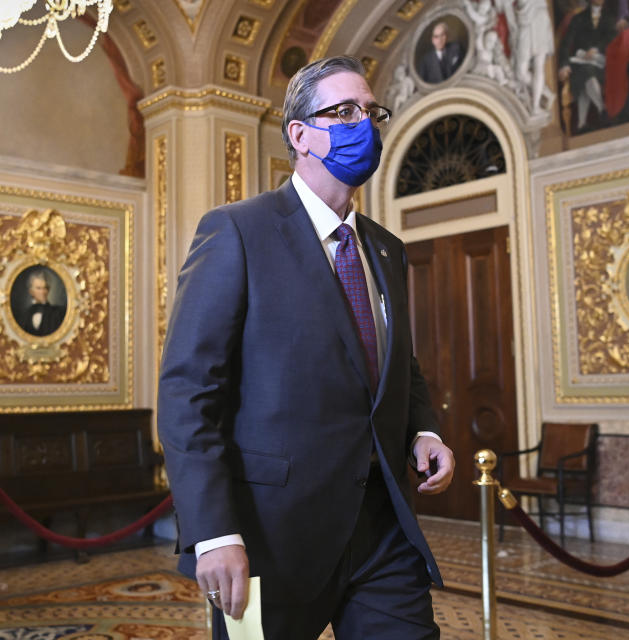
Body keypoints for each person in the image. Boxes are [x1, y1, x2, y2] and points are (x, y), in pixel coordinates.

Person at [157, 55, 455, 640]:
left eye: (370, 112)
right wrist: (213, 532)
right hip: (270, 535)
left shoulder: (386, 249)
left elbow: (397, 365)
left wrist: (424, 429)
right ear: (300, 135)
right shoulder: (238, 231)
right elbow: (189, 390)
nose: (362, 124)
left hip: (382, 528)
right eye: (343, 112)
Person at [557, 0, 619, 131]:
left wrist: (596, 49)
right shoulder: (578, 18)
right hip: (580, 62)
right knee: (585, 72)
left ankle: (582, 123)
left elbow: (613, 38)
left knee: (586, 74)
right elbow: (566, 44)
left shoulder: (609, 17)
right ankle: (602, 110)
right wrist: (563, 65)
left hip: (602, 63)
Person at [14, 269, 66, 336]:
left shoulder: (58, 313)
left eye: (45, 288)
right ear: (31, 291)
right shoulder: (23, 315)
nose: (43, 292)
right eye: (39, 288)